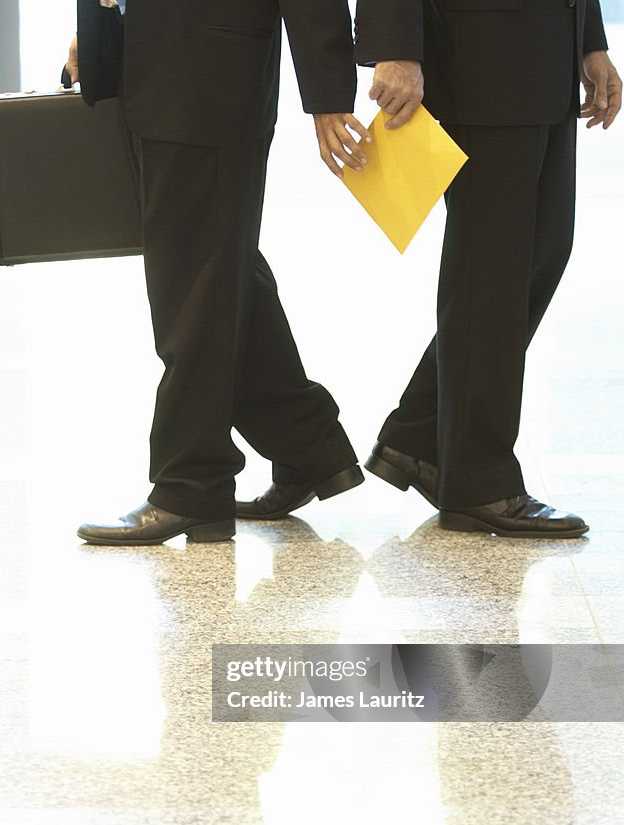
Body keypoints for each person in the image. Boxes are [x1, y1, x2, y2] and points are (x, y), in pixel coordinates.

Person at [68, 0, 371, 545]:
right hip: (156, 67)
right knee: (217, 269)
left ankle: (192, 485)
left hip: (210, 78)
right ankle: (308, 446)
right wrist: (100, 35)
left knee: (194, 287)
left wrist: (328, 93)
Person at [345, 0, 621, 538]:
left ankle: (420, 438)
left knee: (540, 252)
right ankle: (478, 480)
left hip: (546, 48)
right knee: (491, 270)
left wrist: (588, 39)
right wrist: (397, 49)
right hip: (479, 51)